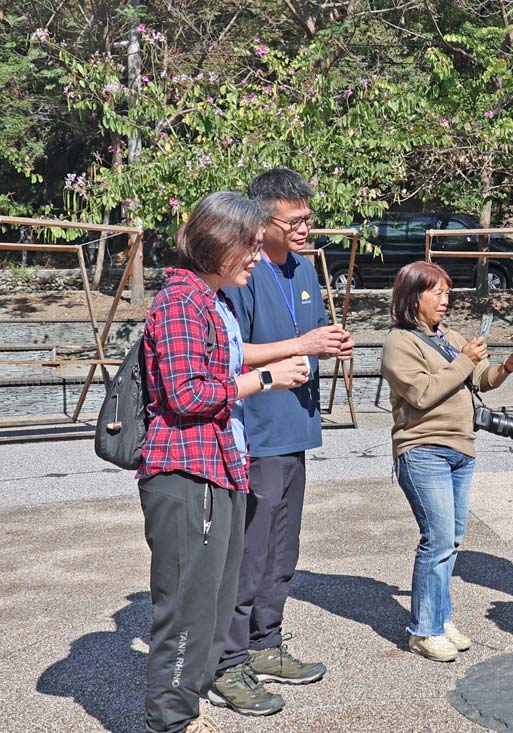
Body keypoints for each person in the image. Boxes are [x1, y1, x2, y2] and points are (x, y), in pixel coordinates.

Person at [137, 191, 310, 733]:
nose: (258, 258)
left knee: (211, 602)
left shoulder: (211, 302)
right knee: (186, 607)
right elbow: (185, 394)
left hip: (219, 467)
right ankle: (170, 720)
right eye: (250, 247)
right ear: (219, 244)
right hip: (186, 473)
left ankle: (185, 708)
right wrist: (266, 378)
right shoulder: (180, 302)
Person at [212, 169, 354, 716]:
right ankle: (230, 660)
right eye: (293, 221)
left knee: (281, 551)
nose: (303, 229)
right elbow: (235, 349)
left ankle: (267, 644)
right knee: (248, 553)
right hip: (256, 430)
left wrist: (328, 343)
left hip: (295, 426)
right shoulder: (242, 272)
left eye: (308, 219)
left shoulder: (304, 268)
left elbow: (311, 332)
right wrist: (301, 342)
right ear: (261, 221)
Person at [380, 261, 513, 662]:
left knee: (452, 540)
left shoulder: (448, 337)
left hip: (461, 449)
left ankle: (440, 617)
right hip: (423, 448)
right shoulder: (400, 342)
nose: (446, 300)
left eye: (448, 293)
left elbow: (479, 378)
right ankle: (423, 629)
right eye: (438, 293)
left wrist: (505, 368)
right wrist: (464, 360)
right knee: (438, 539)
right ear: (414, 297)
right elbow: (423, 393)